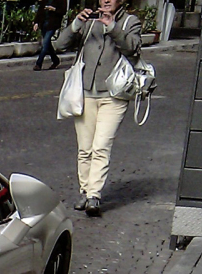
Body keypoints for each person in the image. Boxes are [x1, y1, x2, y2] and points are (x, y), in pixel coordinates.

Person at [55, 0, 141, 216]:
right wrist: (75, 24)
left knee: (101, 146)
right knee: (85, 148)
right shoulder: (88, 22)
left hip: (114, 95)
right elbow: (59, 45)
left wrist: (112, 27)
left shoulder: (130, 21)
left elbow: (133, 48)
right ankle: (85, 191)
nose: (106, 0)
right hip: (84, 93)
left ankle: (94, 195)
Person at [33, 0, 67, 70]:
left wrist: (54, 9)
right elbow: (40, 10)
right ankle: (55, 60)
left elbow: (63, 11)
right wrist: (36, 22)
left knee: (45, 44)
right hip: (44, 24)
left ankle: (38, 64)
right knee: (48, 44)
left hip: (52, 24)